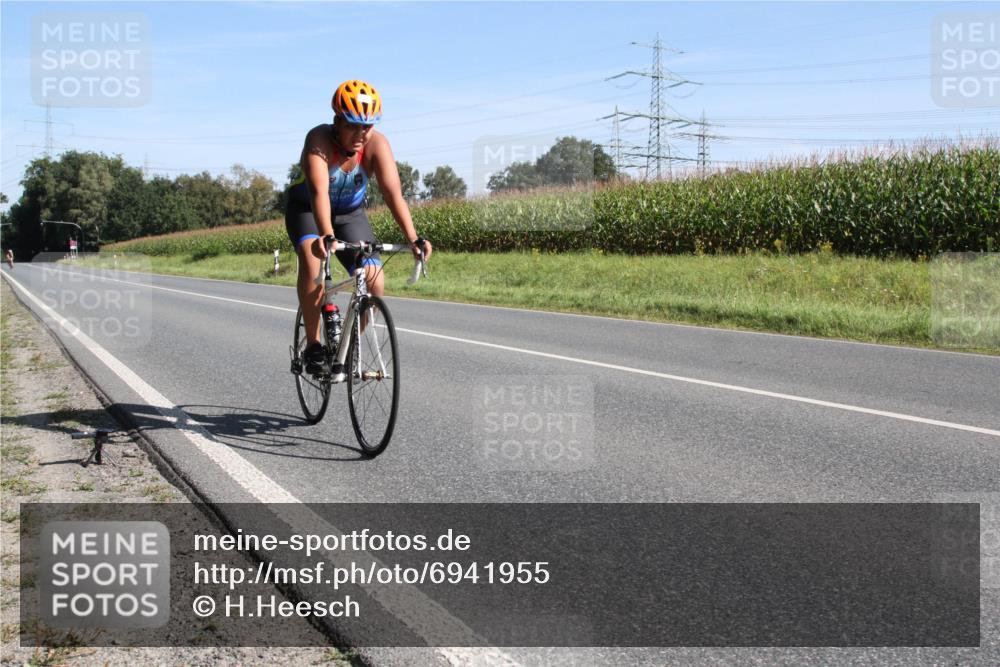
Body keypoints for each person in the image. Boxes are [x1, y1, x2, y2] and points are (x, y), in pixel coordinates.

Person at [285, 79, 431, 375]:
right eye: (354, 125)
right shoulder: (319, 140)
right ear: (337, 121)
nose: (361, 134)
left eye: (368, 126)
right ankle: (313, 345)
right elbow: (318, 193)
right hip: (309, 210)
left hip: (350, 215)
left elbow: (393, 194)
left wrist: (414, 239)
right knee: (313, 260)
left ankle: (348, 344)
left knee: (375, 279)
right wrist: (326, 236)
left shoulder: (377, 144)